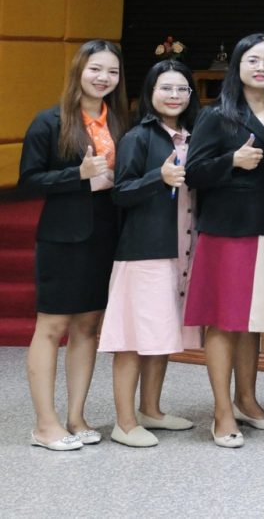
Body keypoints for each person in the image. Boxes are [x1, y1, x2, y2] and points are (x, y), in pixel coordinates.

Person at [20, 40, 127, 451]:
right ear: (79, 70)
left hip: (106, 234)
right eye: (95, 69)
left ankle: (76, 417)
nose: (103, 78)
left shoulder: (120, 121)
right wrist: (77, 175)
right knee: (52, 327)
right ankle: (44, 425)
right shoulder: (49, 121)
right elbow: (29, 181)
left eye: (112, 71)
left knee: (87, 327)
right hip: (63, 236)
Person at [183, 34, 264, 447]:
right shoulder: (217, 114)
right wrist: (233, 160)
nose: (261, 68)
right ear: (238, 65)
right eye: (253, 60)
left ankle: (247, 400)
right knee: (225, 319)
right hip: (230, 227)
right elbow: (194, 172)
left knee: (252, 318)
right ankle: (222, 411)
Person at [100, 60, 202, 447]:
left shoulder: (193, 136)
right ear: (150, 92)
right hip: (145, 252)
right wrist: (157, 178)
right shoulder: (137, 137)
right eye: (165, 88)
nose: (174, 96)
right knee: (133, 337)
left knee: (162, 333)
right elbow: (120, 193)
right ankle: (124, 423)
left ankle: (151, 410)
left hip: (183, 248)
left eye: (181, 89)